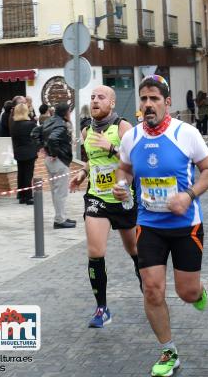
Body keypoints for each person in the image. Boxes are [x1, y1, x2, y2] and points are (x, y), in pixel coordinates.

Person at [113, 74, 208, 377]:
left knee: (186, 293)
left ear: (167, 103)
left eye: (154, 99)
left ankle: (198, 293)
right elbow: (125, 169)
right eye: (144, 98)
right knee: (153, 291)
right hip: (149, 224)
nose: (148, 104)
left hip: (187, 225)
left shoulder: (186, 133)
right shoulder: (131, 137)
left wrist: (188, 195)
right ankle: (168, 351)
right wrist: (122, 185)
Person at [69, 85, 142, 328]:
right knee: (95, 251)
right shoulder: (86, 130)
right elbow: (93, 160)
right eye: (92, 98)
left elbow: (136, 159)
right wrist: (82, 173)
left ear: (112, 103)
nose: (95, 101)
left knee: (135, 251)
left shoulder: (123, 128)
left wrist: (111, 147)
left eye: (101, 97)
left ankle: (149, 293)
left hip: (122, 199)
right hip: (97, 197)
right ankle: (102, 308)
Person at [32, 103, 76, 229]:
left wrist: (43, 148)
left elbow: (34, 132)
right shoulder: (61, 125)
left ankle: (61, 216)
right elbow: (52, 138)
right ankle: (60, 220)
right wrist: (53, 152)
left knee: (56, 191)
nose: (70, 113)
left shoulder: (49, 121)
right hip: (59, 160)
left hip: (51, 160)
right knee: (60, 192)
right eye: (69, 111)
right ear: (65, 112)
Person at [10, 103, 38, 205]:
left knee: (21, 174)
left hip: (18, 152)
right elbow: (37, 137)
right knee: (28, 175)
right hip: (29, 152)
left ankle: (21, 196)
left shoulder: (14, 125)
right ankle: (28, 197)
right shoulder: (31, 124)